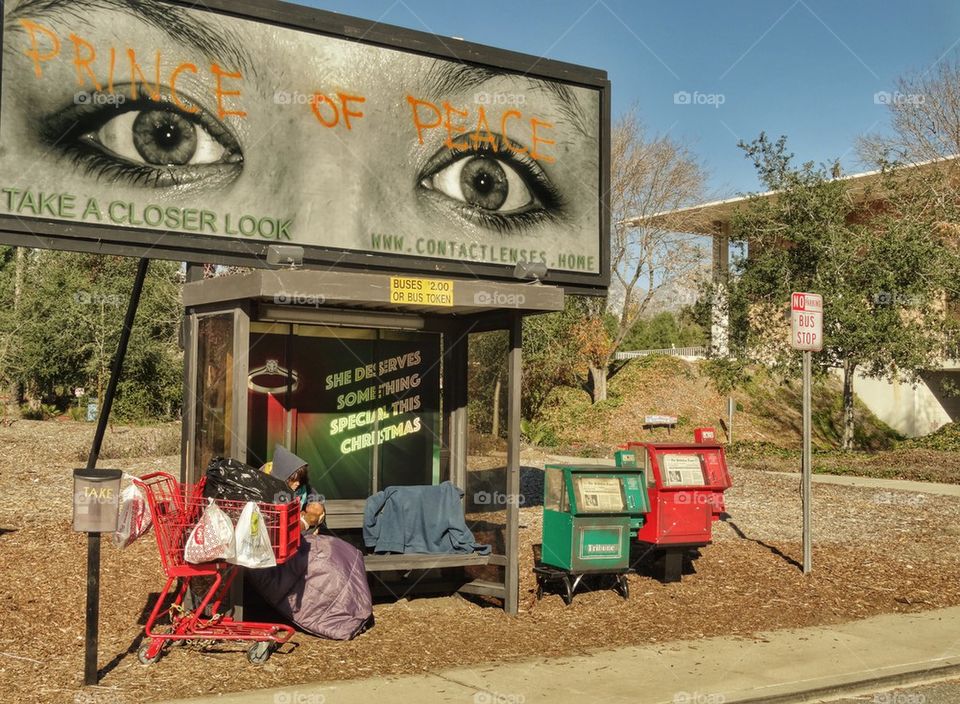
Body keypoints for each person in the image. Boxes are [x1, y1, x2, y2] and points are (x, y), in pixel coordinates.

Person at [263, 444, 325, 534]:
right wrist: (305, 522)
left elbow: (316, 502)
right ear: (283, 478)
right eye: (294, 480)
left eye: (300, 479)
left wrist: (317, 511)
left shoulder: (303, 488)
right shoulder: (267, 489)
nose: (298, 483)